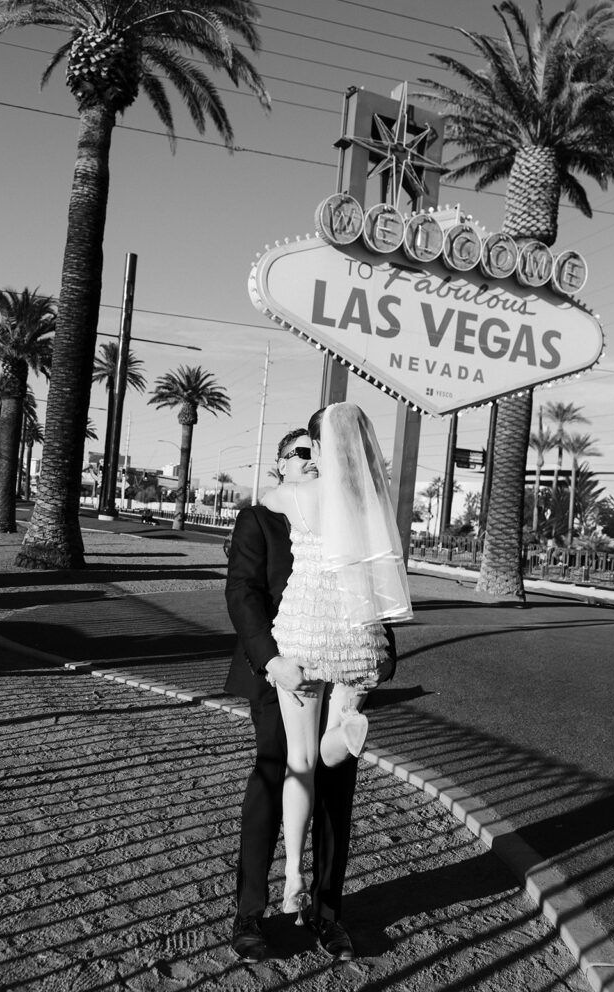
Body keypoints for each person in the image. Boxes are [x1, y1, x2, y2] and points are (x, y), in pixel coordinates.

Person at [224, 421, 398, 964]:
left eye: (315, 451)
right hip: (279, 668)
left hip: (338, 661)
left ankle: (324, 912)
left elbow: (369, 585)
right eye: (298, 453)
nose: (309, 460)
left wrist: (380, 652)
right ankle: (252, 911)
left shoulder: (349, 514)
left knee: (334, 791)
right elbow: (243, 593)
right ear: (281, 464)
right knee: (272, 776)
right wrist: (273, 660)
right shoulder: (260, 517)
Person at [261, 403, 412, 937]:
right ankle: (342, 730)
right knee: (325, 751)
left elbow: (265, 496)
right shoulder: (365, 499)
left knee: (296, 762)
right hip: (355, 632)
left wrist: (294, 472)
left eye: (313, 446)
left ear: (322, 448)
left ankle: (292, 878)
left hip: (304, 632)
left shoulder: (300, 497)